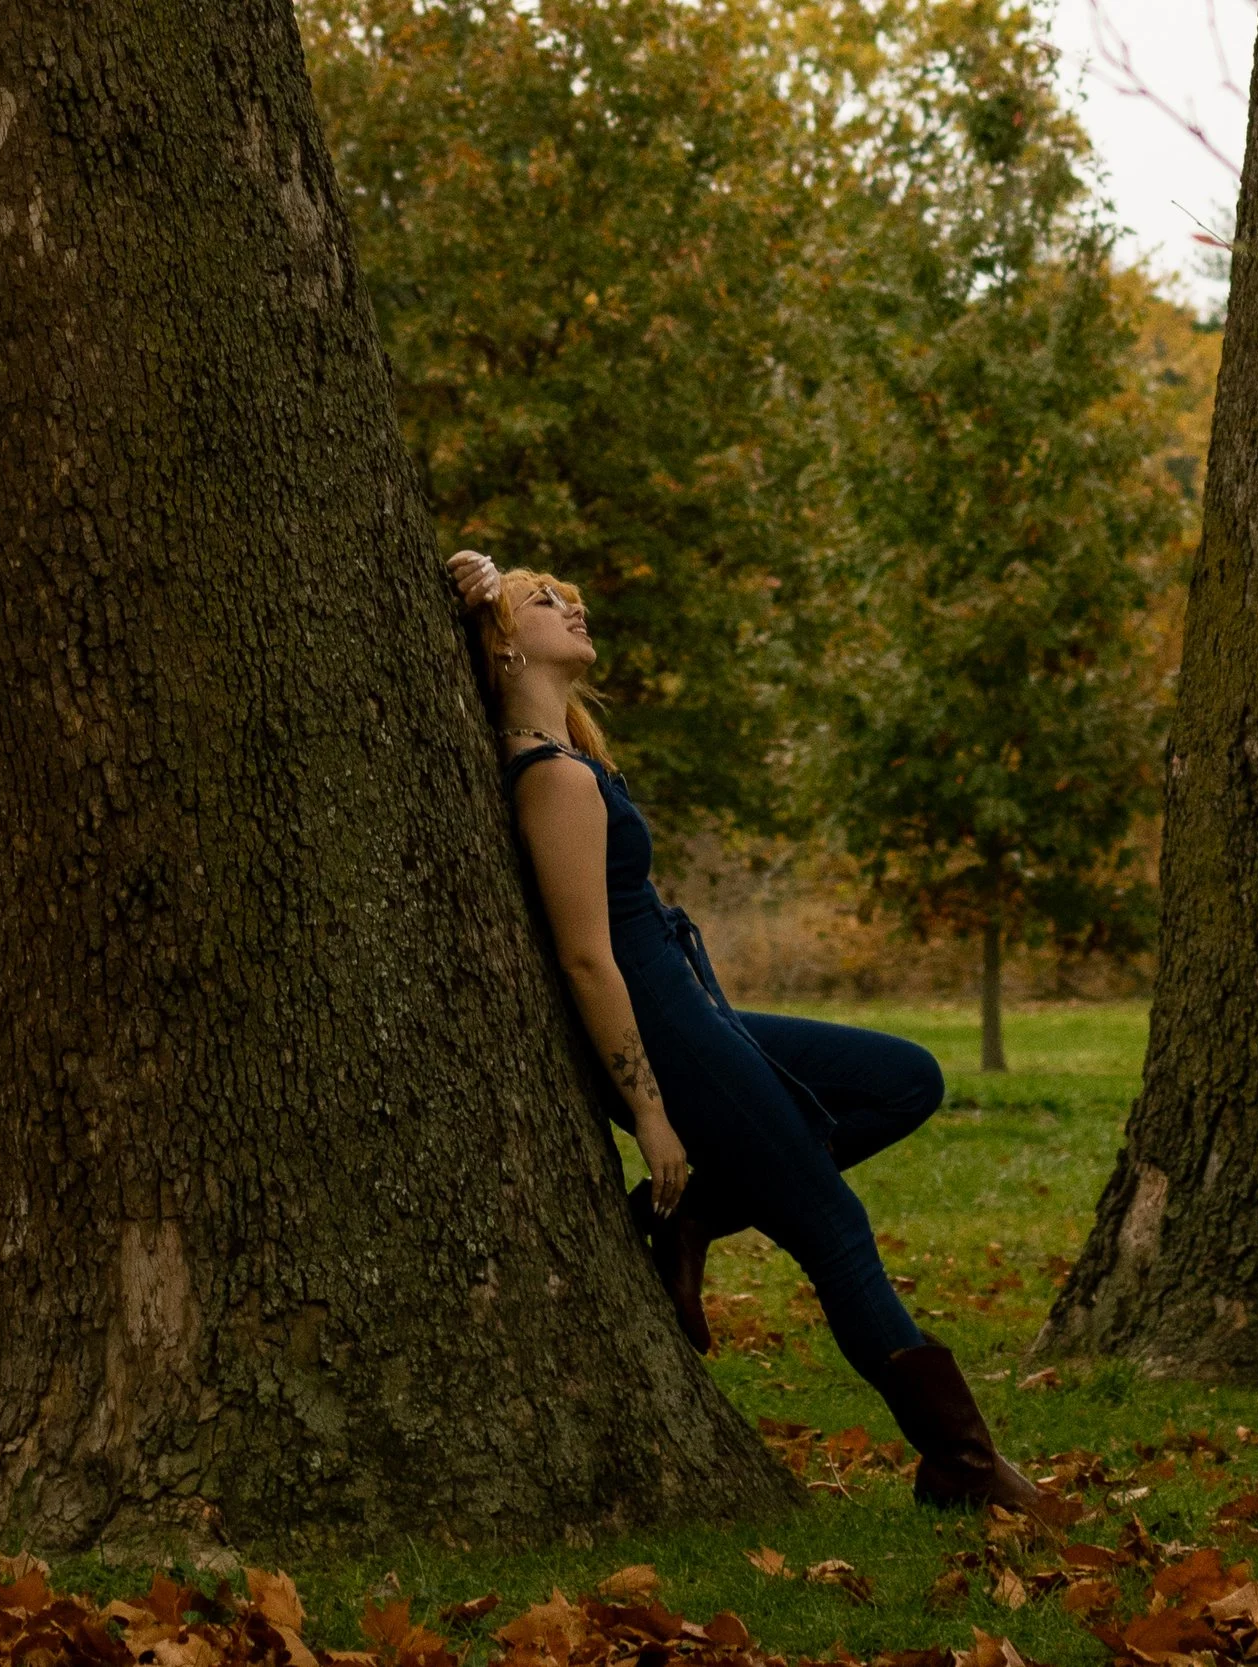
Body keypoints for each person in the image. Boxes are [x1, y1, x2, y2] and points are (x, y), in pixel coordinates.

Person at [447, 549, 1044, 1517]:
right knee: (833, 1228)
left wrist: (495, 581)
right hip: (671, 1044)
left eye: (572, 594)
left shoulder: (579, 757)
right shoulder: (549, 779)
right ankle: (966, 1468)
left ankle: (695, 1213)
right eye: (545, 602)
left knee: (906, 1079)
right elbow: (587, 961)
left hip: (698, 1018)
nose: (575, 607)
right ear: (504, 644)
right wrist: (648, 1111)